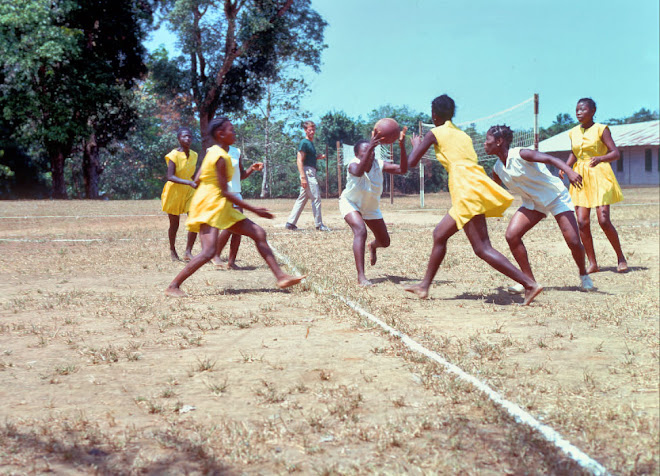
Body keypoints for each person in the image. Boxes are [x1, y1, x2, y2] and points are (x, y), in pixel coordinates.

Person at [403, 95, 542, 305]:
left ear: (434, 114)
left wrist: (416, 144)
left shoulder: (435, 133)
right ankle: (424, 286)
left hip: (464, 185)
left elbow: (412, 162)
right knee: (440, 234)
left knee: (482, 248)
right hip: (474, 181)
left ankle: (529, 284)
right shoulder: (463, 135)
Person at [165, 117, 304, 297]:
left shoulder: (214, 152)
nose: (234, 133)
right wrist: (255, 210)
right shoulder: (220, 157)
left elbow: (198, 178)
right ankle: (173, 286)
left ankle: (281, 277)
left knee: (258, 233)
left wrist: (208, 185)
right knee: (208, 252)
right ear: (220, 134)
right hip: (210, 205)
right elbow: (225, 192)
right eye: (231, 130)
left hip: (215, 203)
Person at [485, 124, 594, 292]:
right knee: (512, 236)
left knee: (573, 241)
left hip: (555, 197)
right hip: (532, 203)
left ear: (499, 141)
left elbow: (551, 159)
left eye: (488, 140)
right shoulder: (497, 169)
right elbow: (494, 188)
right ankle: (528, 282)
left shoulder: (521, 154)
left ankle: (584, 275)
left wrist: (569, 171)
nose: (485, 144)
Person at [559, 98, 627, 273]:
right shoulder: (573, 132)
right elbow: (575, 153)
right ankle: (593, 263)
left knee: (603, 220)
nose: (578, 113)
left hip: (599, 174)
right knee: (582, 222)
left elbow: (615, 153)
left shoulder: (601, 129)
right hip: (579, 177)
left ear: (593, 111)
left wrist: (600, 158)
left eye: (582, 109)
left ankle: (620, 257)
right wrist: (566, 167)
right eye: (576, 110)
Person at [340, 127, 408, 286]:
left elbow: (403, 169)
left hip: (370, 207)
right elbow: (358, 172)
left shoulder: (379, 164)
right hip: (350, 203)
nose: (370, 154)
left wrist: (402, 146)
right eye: (366, 152)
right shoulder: (353, 164)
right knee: (360, 230)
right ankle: (361, 277)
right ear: (357, 155)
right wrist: (371, 145)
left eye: (372, 152)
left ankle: (373, 245)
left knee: (385, 242)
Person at [210, 144, 263, 269]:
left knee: (238, 227)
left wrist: (252, 168)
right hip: (222, 194)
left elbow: (241, 175)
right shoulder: (212, 150)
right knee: (233, 224)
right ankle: (215, 254)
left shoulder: (236, 151)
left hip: (235, 193)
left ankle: (231, 261)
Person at [161, 127, 198, 262]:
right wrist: (188, 182)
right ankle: (172, 250)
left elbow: (193, 174)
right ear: (179, 139)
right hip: (174, 191)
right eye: (184, 137)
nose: (187, 139)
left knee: (194, 220)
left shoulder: (194, 155)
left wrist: (198, 182)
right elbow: (170, 176)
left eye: (189, 136)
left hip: (189, 192)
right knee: (174, 224)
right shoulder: (173, 155)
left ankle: (188, 251)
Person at [285, 121, 330, 231]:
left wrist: (318, 157)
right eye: (310, 130)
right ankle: (319, 225)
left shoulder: (310, 143)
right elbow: (299, 160)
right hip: (308, 173)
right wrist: (303, 177)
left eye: (313, 130)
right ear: (305, 130)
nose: (312, 132)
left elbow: (309, 158)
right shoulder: (304, 143)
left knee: (302, 198)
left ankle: (290, 223)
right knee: (316, 197)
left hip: (311, 171)